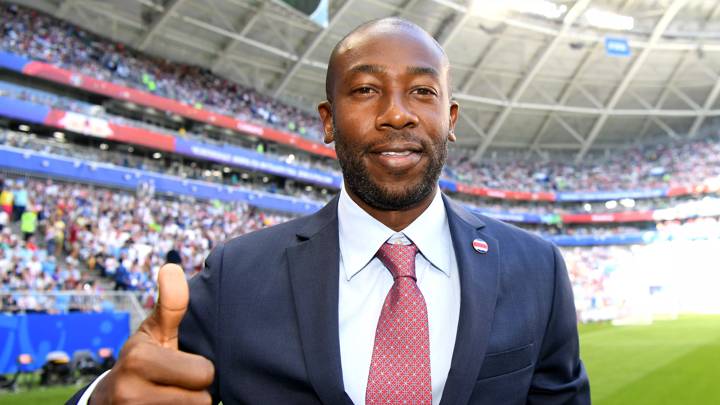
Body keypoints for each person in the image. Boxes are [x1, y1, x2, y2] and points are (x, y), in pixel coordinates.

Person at [70, 17, 589, 404]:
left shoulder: (535, 269)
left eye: (422, 91)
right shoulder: (237, 277)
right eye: (365, 90)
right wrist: (103, 398)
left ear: (449, 118)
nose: (396, 113)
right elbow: (141, 381)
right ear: (328, 121)